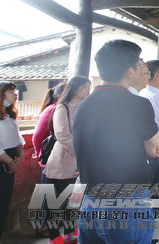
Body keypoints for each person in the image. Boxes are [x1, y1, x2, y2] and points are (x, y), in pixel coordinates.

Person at [72, 40, 159, 243]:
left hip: (90, 200)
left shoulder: (83, 105)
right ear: (129, 71)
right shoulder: (138, 104)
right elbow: (153, 149)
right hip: (126, 201)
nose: (142, 69)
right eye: (140, 65)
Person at [44, 76, 91, 244]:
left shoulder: (84, 107)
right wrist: (82, 150)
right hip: (63, 161)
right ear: (76, 89)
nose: (88, 91)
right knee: (56, 201)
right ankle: (54, 236)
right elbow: (62, 135)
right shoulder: (62, 108)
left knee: (74, 200)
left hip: (79, 160)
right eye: (85, 87)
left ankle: (70, 232)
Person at [31, 82, 66, 239]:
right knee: (46, 193)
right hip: (49, 159)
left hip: (59, 159)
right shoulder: (52, 109)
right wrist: (40, 154)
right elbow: (37, 136)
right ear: (58, 95)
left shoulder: (63, 109)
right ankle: (41, 225)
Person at [0, 81, 24, 241]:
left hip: (10, 160)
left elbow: (18, 138)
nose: (15, 94)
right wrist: (10, 162)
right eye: (11, 91)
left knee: (4, 203)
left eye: (15, 91)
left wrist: (19, 157)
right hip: (4, 160)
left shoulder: (10, 115)